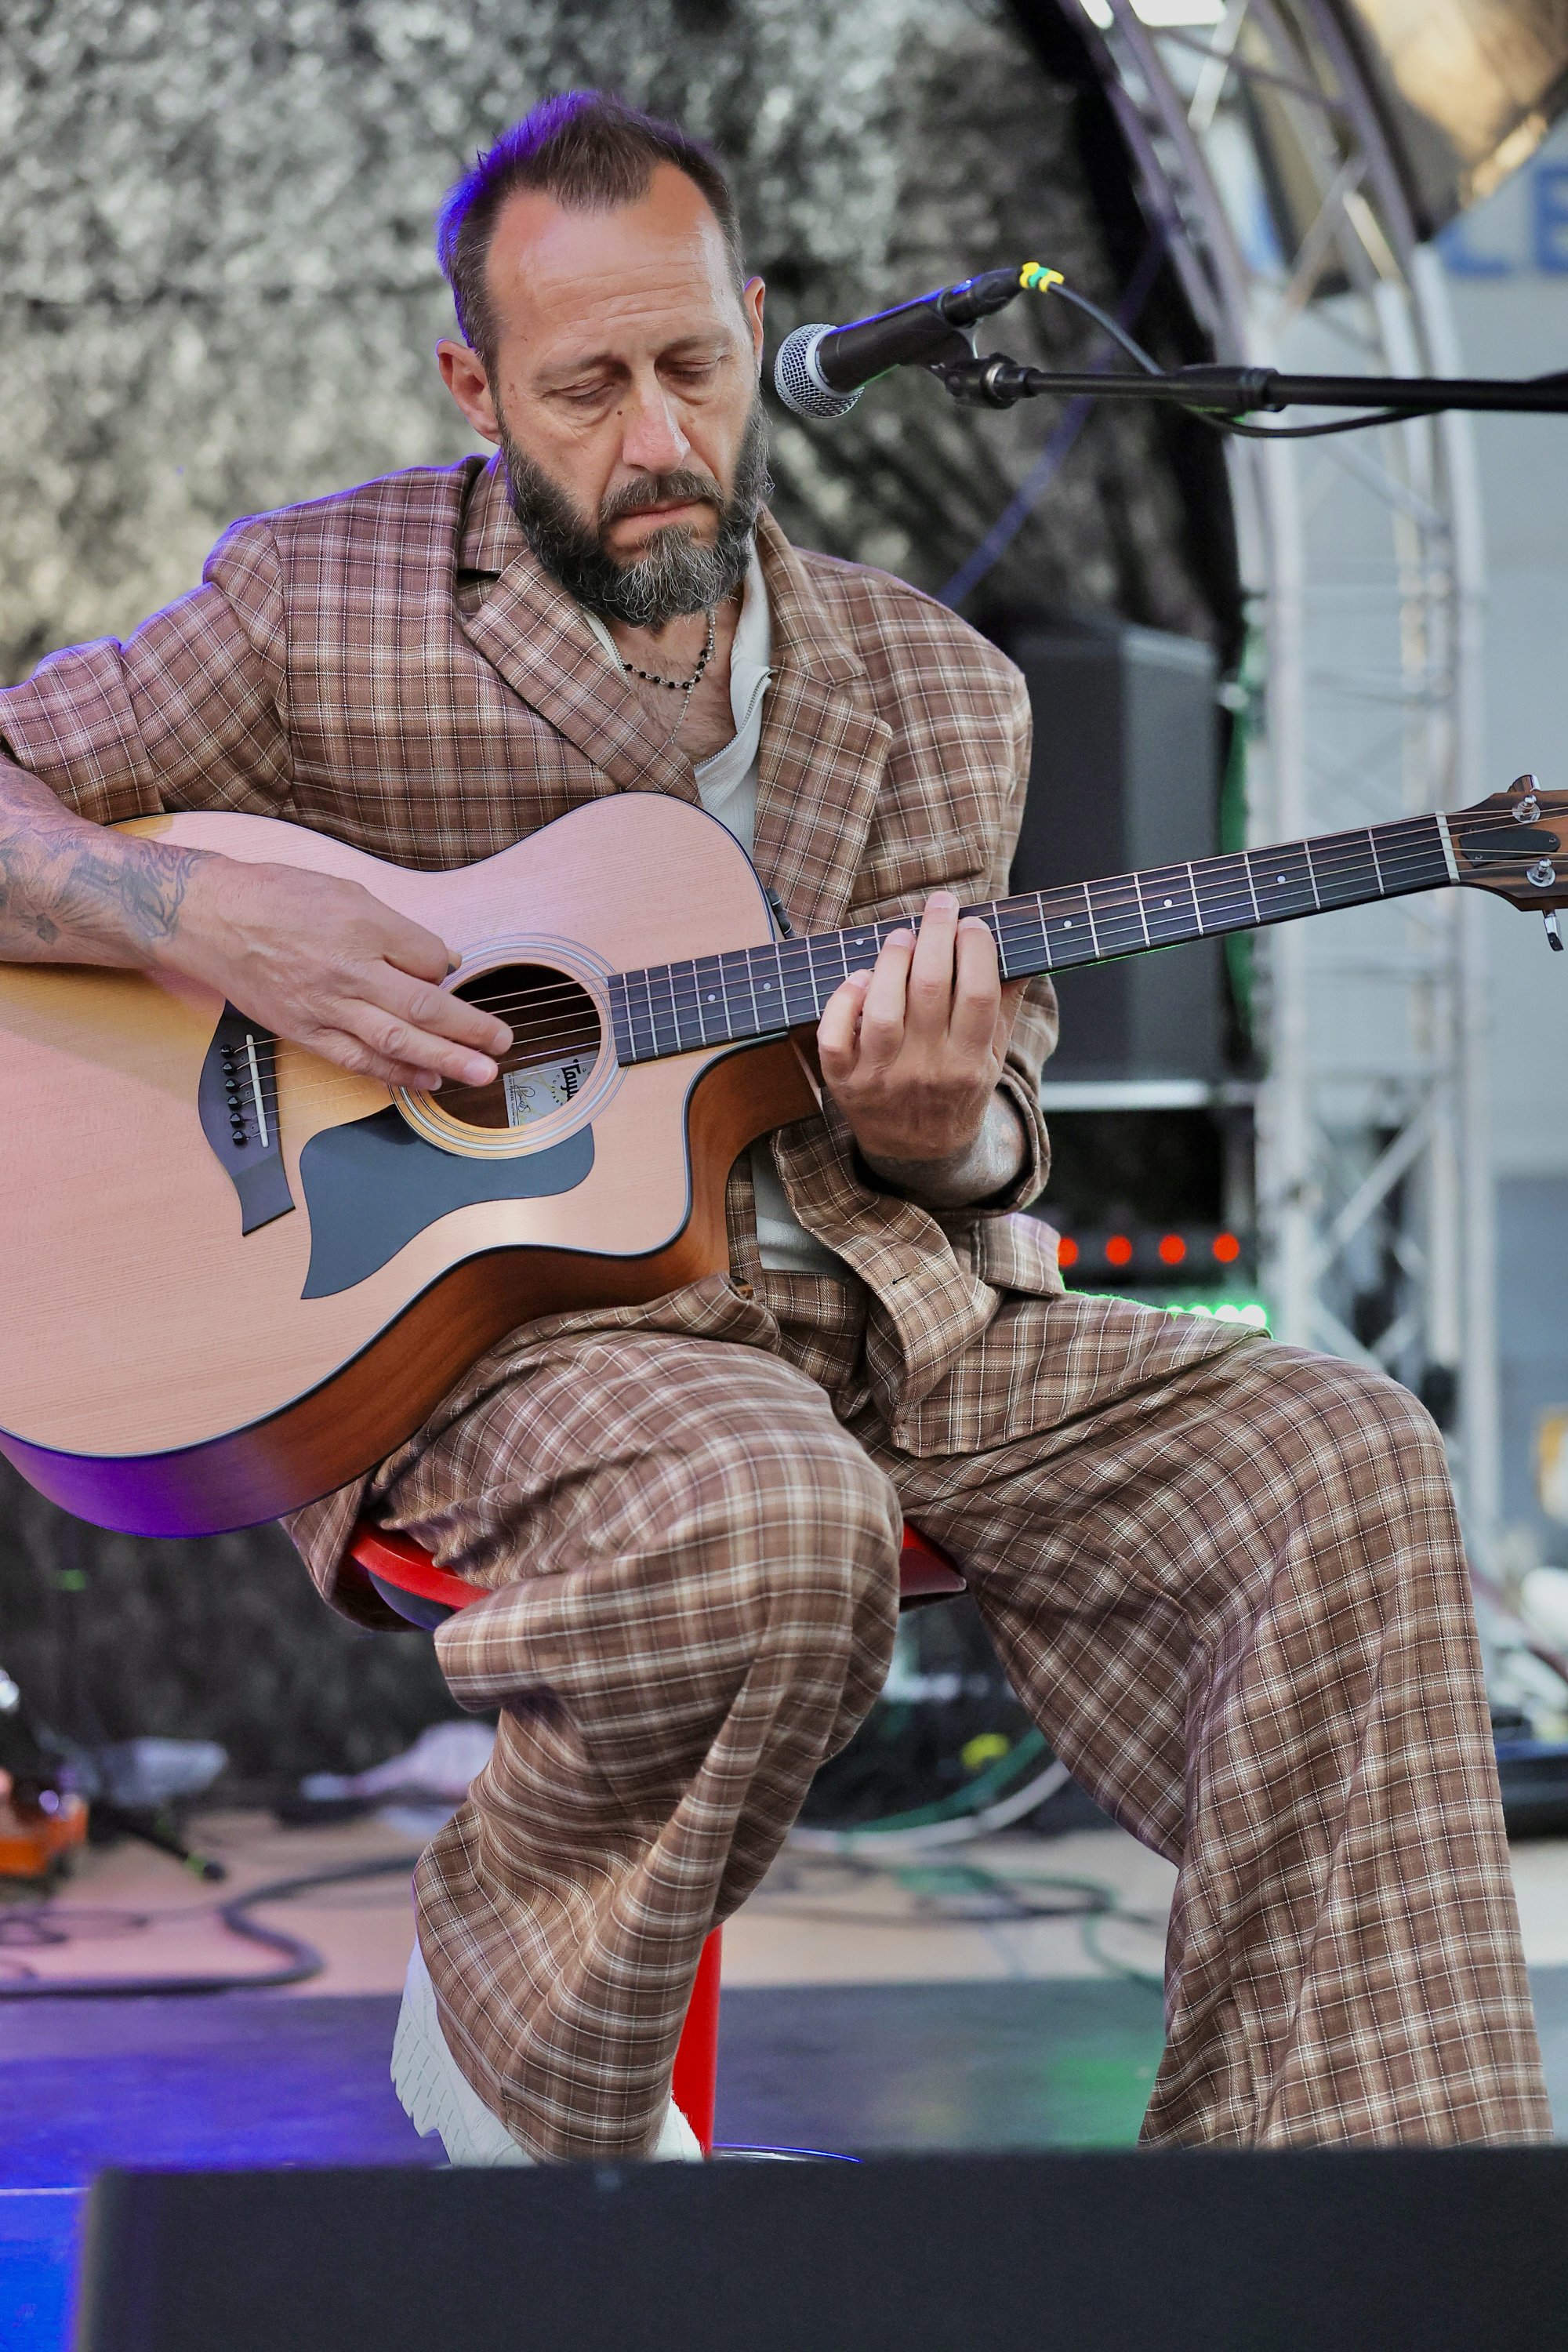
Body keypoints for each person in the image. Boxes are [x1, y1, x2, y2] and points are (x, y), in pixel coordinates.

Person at [0, 90, 1548, 2161]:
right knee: (773, 1506)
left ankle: (1332, 2198)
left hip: (904, 1330)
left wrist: (941, 1133)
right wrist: (186, 909)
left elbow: (991, 1136)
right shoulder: (318, 605)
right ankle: (528, 2028)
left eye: (694, 366)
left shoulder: (938, 689)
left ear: (757, 332)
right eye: (586, 388)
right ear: (474, 385)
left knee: (1342, 1457)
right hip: (509, 1349)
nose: (658, 437)